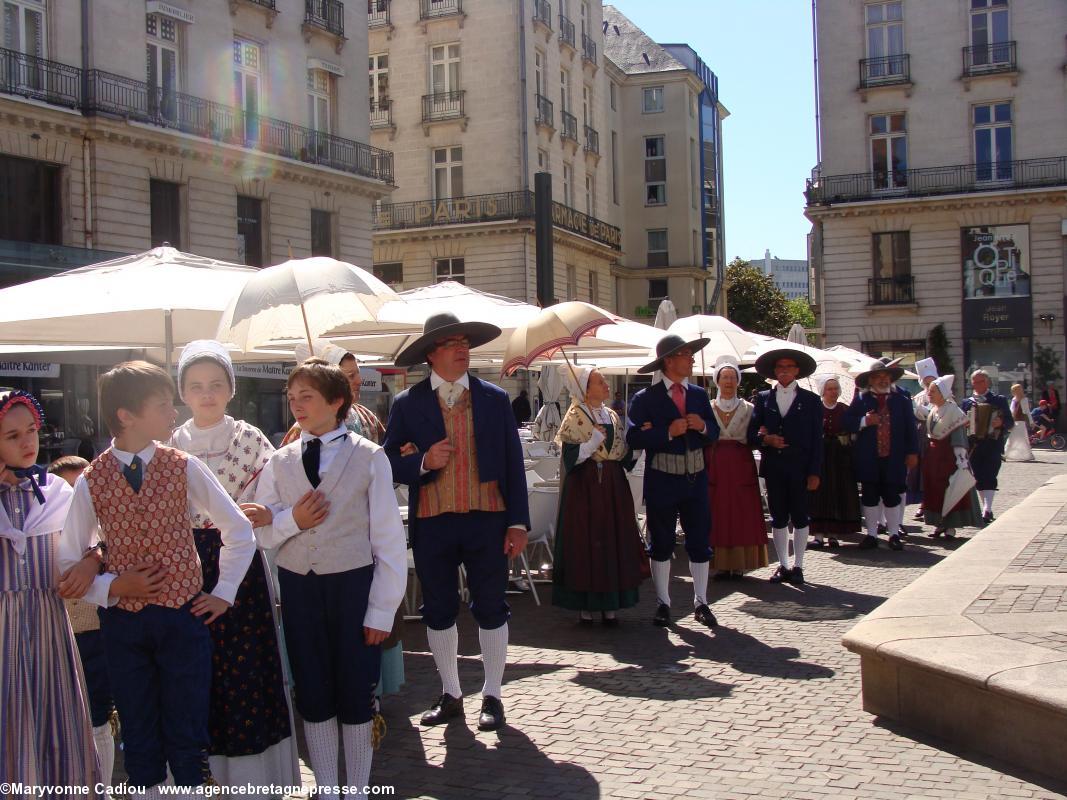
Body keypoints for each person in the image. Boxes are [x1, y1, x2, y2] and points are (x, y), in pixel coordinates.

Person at [58, 361, 256, 795]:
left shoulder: (182, 465)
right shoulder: (92, 479)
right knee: (140, 737)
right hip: (123, 626)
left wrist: (223, 592)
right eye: (163, 406)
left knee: (188, 738)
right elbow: (68, 559)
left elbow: (238, 530)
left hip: (183, 619)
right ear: (127, 415)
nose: (174, 414)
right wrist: (111, 587)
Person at [254, 358, 406, 795]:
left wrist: (382, 610)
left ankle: (356, 788)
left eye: (307, 396)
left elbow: (388, 539)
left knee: (356, 691)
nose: (297, 405)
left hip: (352, 586)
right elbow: (262, 532)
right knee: (312, 692)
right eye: (292, 398)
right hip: (299, 588)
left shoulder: (370, 456)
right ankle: (326, 787)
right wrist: (292, 521)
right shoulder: (279, 460)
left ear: (337, 401)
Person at [383, 312, 530, 732]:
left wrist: (518, 522)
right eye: (451, 344)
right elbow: (388, 461)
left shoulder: (493, 398)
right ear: (431, 354)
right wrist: (423, 461)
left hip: (488, 518)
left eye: (464, 343)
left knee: (492, 605)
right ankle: (451, 693)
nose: (462, 349)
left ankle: (493, 695)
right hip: (433, 521)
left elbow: (513, 463)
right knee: (438, 609)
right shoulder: (408, 403)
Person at [167, 340, 299, 787]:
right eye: (196, 386)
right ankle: (200, 773)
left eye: (216, 384)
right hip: (186, 563)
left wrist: (264, 513)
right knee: (195, 668)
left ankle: (250, 779)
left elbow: (272, 501)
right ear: (182, 392)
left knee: (244, 669)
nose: (207, 394)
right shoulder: (170, 443)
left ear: (230, 389)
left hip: (240, 564)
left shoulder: (251, 439)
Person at [1, 393, 100, 791]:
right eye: (12, 436)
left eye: (31, 431)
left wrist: (91, 562)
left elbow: (94, 541)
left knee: (53, 722)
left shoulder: (56, 491)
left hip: (48, 630)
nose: (28, 442)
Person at [626, 334, 719, 627]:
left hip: (696, 478)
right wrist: (667, 432)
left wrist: (702, 426)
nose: (691, 359)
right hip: (662, 478)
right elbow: (633, 438)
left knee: (700, 540)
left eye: (691, 355)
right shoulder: (645, 398)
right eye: (686, 355)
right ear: (669, 361)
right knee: (661, 541)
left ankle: (701, 602)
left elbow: (714, 432)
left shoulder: (699, 395)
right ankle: (663, 603)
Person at [551, 365, 644, 623]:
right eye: (600, 382)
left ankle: (611, 602)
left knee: (612, 539)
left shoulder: (611, 415)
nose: (606, 386)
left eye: (604, 381)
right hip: (585, 486)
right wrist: (591, 442)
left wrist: (640, 442)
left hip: (613, 485)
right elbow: (570, 458)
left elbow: (622, 452)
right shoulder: (574, 416)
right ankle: (585, 604)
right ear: (586, 389)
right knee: (586, 540)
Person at [50, 455, 117, 789]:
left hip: (95, 632)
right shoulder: (42, 529)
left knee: (98, 717)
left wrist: (95, 557)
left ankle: (102, 788)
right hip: (55, 633)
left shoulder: (107, 530)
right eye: (68, 488)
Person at [749, 347, 823, 585]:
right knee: (778, 517)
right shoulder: (763, 398)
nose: (784, 371)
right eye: (780, 367)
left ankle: (799, 565)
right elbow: (751, 434)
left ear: (797, 371)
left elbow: (817, 440)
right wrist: (766, 440)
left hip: (800, 467)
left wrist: (815, 472)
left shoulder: (811, 400)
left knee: (800, 516)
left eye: (789, 367)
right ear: (774, 371)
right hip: (774, 466)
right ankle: (783, 564)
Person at [845, 359, 919, 551]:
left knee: (892, 495)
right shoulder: (861, 399)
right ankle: (871, 535)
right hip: (869, 457)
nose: (882, 380)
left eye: (885, 376)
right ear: (870, 380)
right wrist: (864, 421)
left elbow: (911, 428)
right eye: (877, 377)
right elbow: (847, 422)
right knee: (869, 495)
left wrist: (912, 452)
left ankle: (894, 534)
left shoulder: (901, 400)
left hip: (894, 457)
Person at [704, 356, 767, 579]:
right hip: (716, 464)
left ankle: (740, 563)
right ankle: (720, 563)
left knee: (742, 511)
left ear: (738, 381)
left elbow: (755, 435)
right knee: (717, 510)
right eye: (725, 377)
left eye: (732, 377)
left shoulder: (749, 408)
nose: (729, 381)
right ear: (717, 381)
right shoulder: (707, 408)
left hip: (741, 464)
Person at [283, 340, 386, 445]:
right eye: (351, 375)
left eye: (358, 373)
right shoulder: (301, 432)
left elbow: (389, 450)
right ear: (332, 382)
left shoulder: (366, 416)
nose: (359, 381)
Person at [922, 375, 981, 538]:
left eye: (933, 391)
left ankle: (950, 526)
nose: (929, 393)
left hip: (948, 458)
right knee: (935, 490)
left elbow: (958, 437)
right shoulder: (934, 410)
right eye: (929, 391)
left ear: (942, 393)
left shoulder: (953, 412)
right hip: (934, 458)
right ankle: (939, 523)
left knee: (949, 490)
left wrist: (961, 460)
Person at [808, 377, 862, 548]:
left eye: (835, 388)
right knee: (819, 494)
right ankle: (818, 535)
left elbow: (852, 430)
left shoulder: (844, 409)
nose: (833, 392)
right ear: (823, 391)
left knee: (838, 493)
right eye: (829, 389)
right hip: (821, 456)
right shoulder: (815, 409)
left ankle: (833, 534)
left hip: (840, 457)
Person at [959, 369, 1013, 524]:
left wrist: (1001, 422)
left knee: (989, 475)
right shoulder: (967, 402)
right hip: (974, 445)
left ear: (987, 382)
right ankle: (985, 507)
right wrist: (965, 424)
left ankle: (987, 509)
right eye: (975, 382)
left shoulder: (998, 400)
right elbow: (960, 422)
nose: (977, 384)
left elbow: (1010, 422)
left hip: (992, 444)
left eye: (981, 381)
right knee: (977, 477)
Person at [908, 357, 940, 520]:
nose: (928, 384)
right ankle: (922, 502)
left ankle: (933, 503)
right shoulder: (919, 396)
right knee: (920, 471)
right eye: (926, 381)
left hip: (936, 434)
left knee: (933, 470)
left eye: (931, 381)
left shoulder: (943, 395)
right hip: (921, 435)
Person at [1005, 383, 1035, 462]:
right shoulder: (1014, 399)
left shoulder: (1024, 399)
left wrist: (1031, 422)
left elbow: (1027, 412)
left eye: (1013, 390)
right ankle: (1007, 454)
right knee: (1014, 438)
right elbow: (1011, 410)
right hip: (1014, 421)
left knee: (1020, 439)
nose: (1012, 392)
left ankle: (1026, 455)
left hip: (1021, 422)